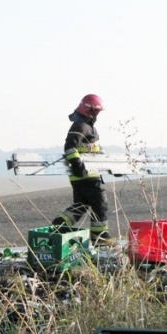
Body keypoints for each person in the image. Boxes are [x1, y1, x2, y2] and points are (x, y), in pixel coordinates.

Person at [50, 94, 115, 246]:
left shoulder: (88, 126)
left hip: (87, 175)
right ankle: (100, 237)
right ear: (88, 110)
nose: (97, 114)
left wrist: (110, 165)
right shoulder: (80, 126)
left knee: (82, 205)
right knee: (100, 203)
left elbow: (95, 151)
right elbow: (70, 147)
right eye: (95, 111)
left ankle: (60, 225)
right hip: (85, 176)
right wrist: (78, 166)